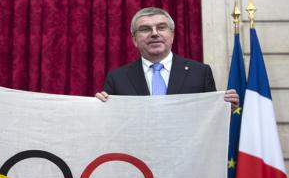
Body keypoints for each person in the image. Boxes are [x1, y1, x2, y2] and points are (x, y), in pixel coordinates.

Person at [95, 7, 239, 108]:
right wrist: (99, 107)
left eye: (161, 27)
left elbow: (210, 115)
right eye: (145, 29)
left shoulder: (199, 72)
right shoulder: (118, 78)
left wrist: (225, 109)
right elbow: (110, 122)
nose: (154, 33)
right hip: (136, 150)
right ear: (134, 40)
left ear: (172, 35)